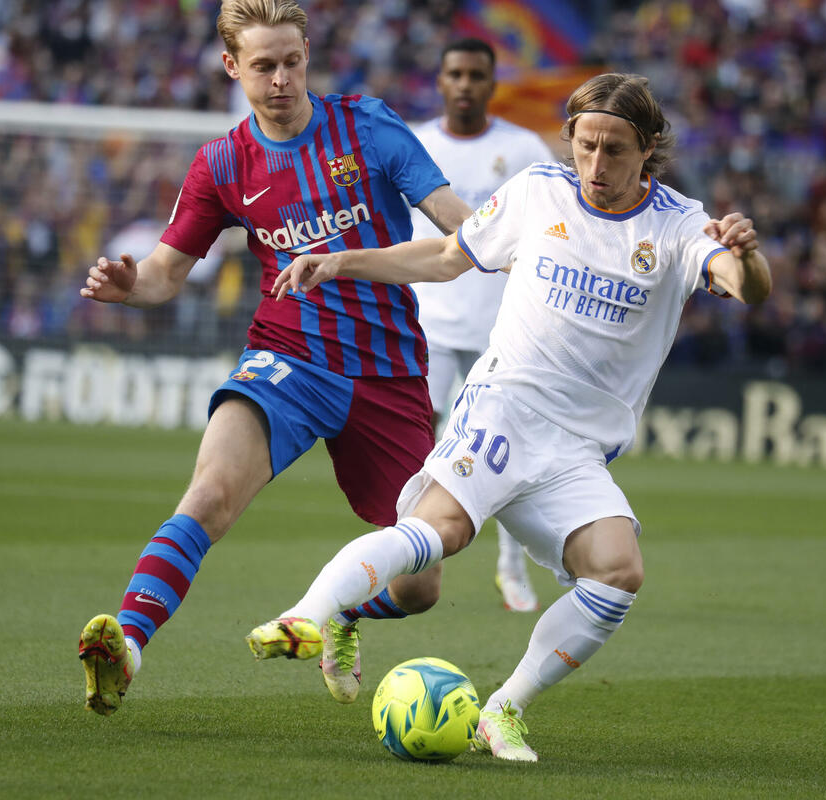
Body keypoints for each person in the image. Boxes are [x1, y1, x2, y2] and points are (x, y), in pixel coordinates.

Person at [248, 72, 771, 762]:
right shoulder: (537, 191)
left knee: (617, 570)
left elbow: (743, 286)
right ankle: (306, 617)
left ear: (648, 149)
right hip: (505, 406)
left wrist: (746, 257)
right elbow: (446, 256)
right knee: (441, 535)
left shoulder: (676, 223)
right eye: (585, 145)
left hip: (578, 448)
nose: (596, 164)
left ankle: (502, 710)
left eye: (615, 149)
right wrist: (342, 261)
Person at [76, 0, 473, 715]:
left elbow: (461, 235)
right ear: (233, 67)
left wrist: (506, 241)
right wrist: (130, 287)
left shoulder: (369, 128)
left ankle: (342, 612)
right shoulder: (223, 163)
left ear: (307, 55)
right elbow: (165, 275)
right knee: (209, 495)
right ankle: (125, 647)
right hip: (287, 356)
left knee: (421, 585)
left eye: (293, 61)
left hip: (387, 371)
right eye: (264, 66)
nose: (282, 79)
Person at [408, 38, 554, 614]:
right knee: (418, 443)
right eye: (456, 74)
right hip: (428, 325)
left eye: (476, 75)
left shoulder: (522, 149)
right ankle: (412, 557)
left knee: (507, 449)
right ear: (440, 81)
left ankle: (511, 567)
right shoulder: (416, 144)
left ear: (492, 84)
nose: (465, 84)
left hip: (503, 330)